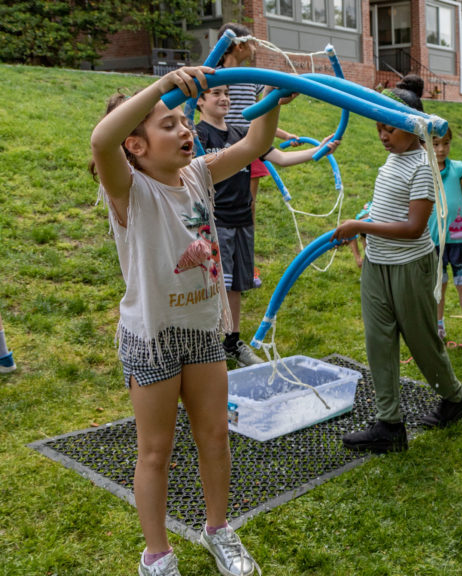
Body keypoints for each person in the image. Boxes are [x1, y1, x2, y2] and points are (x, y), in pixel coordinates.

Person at [89, 65, 289, 576]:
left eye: (184, 121)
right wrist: (160, 87)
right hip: (152, 337)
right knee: (155, 450)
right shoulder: (127, 189)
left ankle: (217, 529)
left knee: (215, 434)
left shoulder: (198, 173)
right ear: (135, 146)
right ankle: (156, 555)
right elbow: (102, 138)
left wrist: (271, 98)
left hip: (202, 329)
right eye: (169, 124)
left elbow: (253, 146)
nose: (184, 131)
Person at [330, 87, 462, 454]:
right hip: (378, 264)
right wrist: (366, 222)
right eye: (379, 128)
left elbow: (413, 227)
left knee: (422, 341)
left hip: (410, 266)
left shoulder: (424, 167)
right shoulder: (392, 161)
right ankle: (389, 424)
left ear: (414, 128)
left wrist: (360, 227)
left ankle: (456, 399)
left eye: (389, 129)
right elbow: (389, 213)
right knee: (378, 340)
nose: (382, 135)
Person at [195, 85, 339, 366]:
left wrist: (319, 150)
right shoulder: (197, 135)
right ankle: (209, 343)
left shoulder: (241, 134)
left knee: (236, 284)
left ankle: (231, 341)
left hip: (242, 219)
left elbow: (281, 158)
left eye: (227, 92)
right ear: (200, 101)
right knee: (215, 286)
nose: (224, 97)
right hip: (214, 221)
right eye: (215, 93)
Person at [215, 23, 299, 205]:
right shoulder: (215, 77)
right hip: (224, 143)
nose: (255, 48)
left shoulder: (252, 79)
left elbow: (263, 112)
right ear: (240, 46)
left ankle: (248, 232)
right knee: (223, 200)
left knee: (249, 203)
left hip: (251, 141)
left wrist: (285, 135)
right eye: (253, 43)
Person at [428, 128, 462, 352]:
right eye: (436, 144)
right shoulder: (423, 170)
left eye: (446, 143)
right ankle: (438, 327)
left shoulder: (460, 169)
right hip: (432, 242)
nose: (441, 149)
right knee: (439, 286)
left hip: (458, 240)